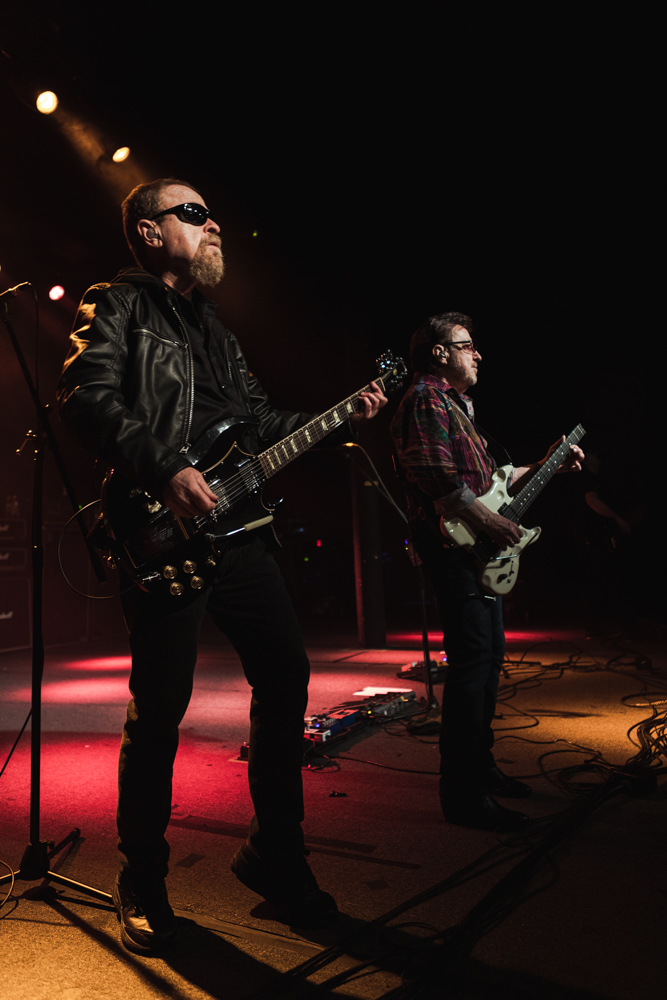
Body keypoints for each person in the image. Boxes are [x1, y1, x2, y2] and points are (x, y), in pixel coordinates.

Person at [58, 178, 386, 954]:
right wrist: (162, 468)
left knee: (285, 680)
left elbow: (261, 422)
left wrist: (339, 417)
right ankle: (141, 876)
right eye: (194, 215)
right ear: (147, 230)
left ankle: (274, 858)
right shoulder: (118, 305)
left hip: (241, 536)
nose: (213, 230)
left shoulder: (217, 332)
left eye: (213, 218)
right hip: (159, 530)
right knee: (160, 711)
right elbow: (85, 395)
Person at [391, 312, 583, 832]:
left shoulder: (456, 407)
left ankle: (482, 768)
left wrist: (547, 464)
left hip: (472, 543)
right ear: (438, 352)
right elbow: (436, 478)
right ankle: (462, 794)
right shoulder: (426, 398)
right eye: (467, 345)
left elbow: (491, 479)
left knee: (488, 660)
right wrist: (489, 522)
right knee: (474, 666)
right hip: (454, 547)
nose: (478, 354)